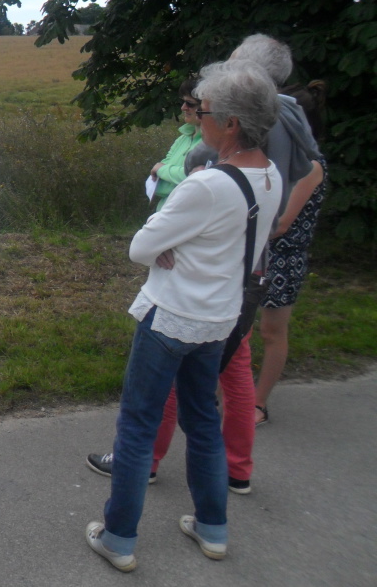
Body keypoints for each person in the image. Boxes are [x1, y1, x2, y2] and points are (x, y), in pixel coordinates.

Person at [87, 34, 322, 493]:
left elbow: (152, 235)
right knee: (233, 370)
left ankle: (145, 465)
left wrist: (181, 226)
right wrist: (273, 225)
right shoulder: (290, 119)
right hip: (245, 272)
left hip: (203, 275)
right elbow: (312, 170)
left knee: (169, 382)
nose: (202, 104)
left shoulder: (226, 155)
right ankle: (237, 468)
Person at [86, 59, 282, 572]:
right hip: (219, 320)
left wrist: (165, 245)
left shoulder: (207, 185)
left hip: (172, 318)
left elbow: (140, 246)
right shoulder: (270, 176)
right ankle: (212, 527)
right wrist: (175, 244)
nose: (200, 120)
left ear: (233, 122)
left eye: (207, 112)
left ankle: (119, 537)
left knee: (136, 427)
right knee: (202, 420)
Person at [254, 81, 327, 425]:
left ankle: (258, 403)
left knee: (272, 331)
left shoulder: (309, 166)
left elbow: (281, 222)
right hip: (260, 253)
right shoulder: (276, 159)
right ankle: (228, 397)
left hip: (283, 257)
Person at [150, 78, 202, 210]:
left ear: (206, 106)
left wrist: (162, 170)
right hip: (163, 214)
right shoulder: (182, 139)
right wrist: (177, 177)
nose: (183, 107)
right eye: (183, 102)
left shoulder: (212, 143)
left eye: (190, 104)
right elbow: (158, 186)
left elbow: (197, 180)